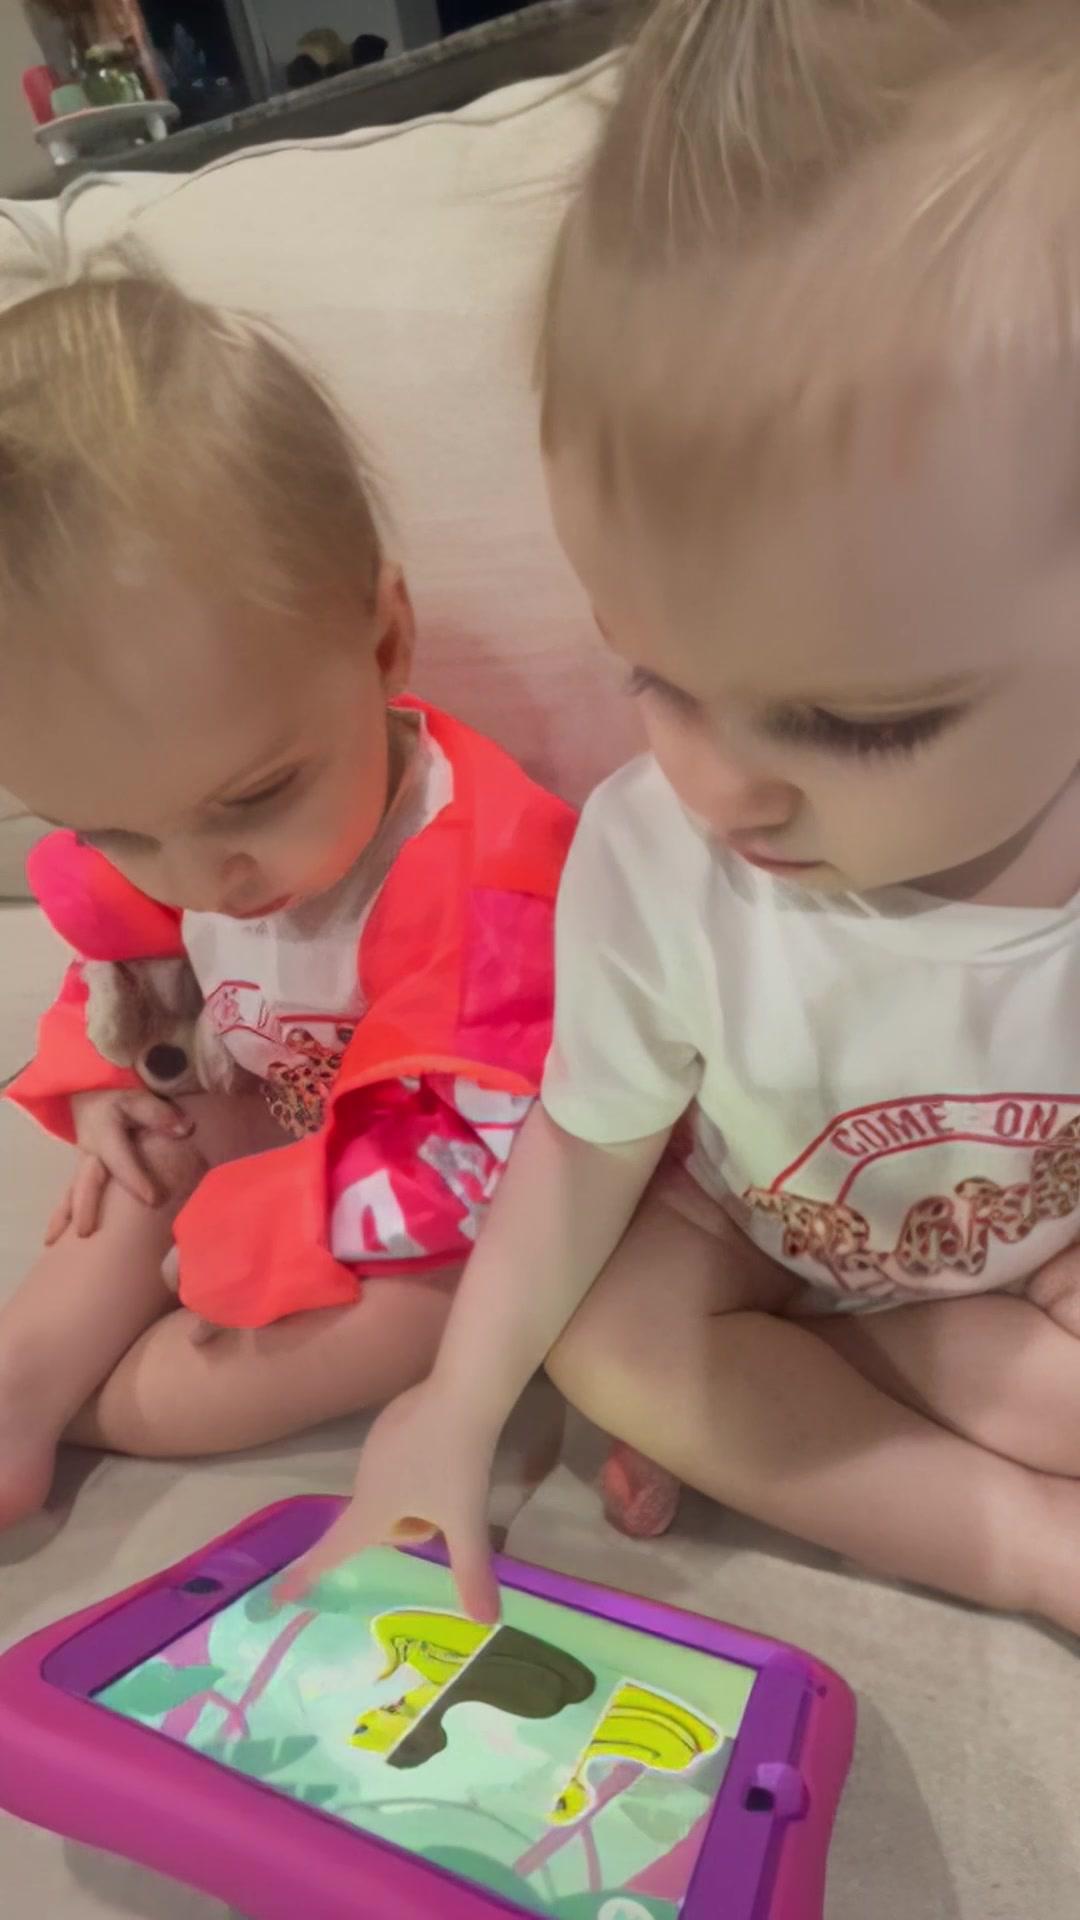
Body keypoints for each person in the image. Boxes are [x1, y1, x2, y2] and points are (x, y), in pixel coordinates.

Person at [290, 0, 1080, 1635]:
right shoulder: (654, 862)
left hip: (1037, 1238)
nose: (718, 788)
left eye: (857, 720)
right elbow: (585, 1150)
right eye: (655, 673)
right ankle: (1020, 1545)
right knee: (613, 1337)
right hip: (751, 1230)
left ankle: (869, 1368)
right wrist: (454, 1402)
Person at [0, 271, 573, 1532]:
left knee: (423, 1311)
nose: (197, 878)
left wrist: (272, 1226)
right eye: (112, 828)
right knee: (143, 1144)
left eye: (255, 799)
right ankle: (25, 1374)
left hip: (444, 1184)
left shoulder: (483, 873)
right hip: (269, 1109)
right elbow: (120, 971)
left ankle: (118, 1413)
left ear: (383, 644)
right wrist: (102, 1088)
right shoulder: (168, 821)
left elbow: (477, 1155)